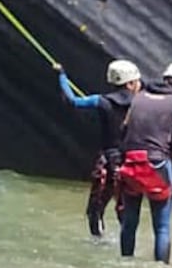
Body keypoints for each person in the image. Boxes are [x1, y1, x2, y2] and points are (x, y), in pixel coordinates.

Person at [54, 58, 141, 237]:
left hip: (108, 160)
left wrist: (62, 76)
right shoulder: (142, 103)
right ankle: (128, 245)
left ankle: (97, 240)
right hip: (131, 161)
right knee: (126, 206)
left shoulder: (101, 101)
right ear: (131, 83)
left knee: (96, 206)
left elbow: (73, 102)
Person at [117, 62, 172, 264]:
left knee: (129, 222)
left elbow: (124, 131)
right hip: (157, 165)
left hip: (131, 162)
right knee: (162, 226)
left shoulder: (138, 98)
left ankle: (125, 263)